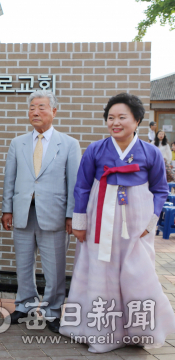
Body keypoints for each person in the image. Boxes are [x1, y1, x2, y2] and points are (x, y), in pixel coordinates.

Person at [60, 93, 175, 353]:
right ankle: (101, 334)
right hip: (100, 221)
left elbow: (160, 189)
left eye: (122, 117)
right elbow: (82, 187)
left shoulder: (151, 152)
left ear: (137, 121)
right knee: (99, 273)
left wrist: (151, 221)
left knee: (137, 274)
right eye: (111, 117)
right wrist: (79, 221)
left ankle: (138, 332)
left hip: (137, 225)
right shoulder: (95, 149)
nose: (116, 122)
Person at [0, 90, 81, 333]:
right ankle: (24, 304)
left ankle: (53, 310)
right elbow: (10, 180)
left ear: (54, 112)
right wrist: (7, 209)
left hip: (54, 214)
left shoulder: (69, 144)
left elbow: (74, 183)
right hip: (23, 213)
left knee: (54, 267)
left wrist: (71, 215)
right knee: (23, 264)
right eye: (32, 107)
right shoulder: (18, 143)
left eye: (42, 107)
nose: (36, 112)